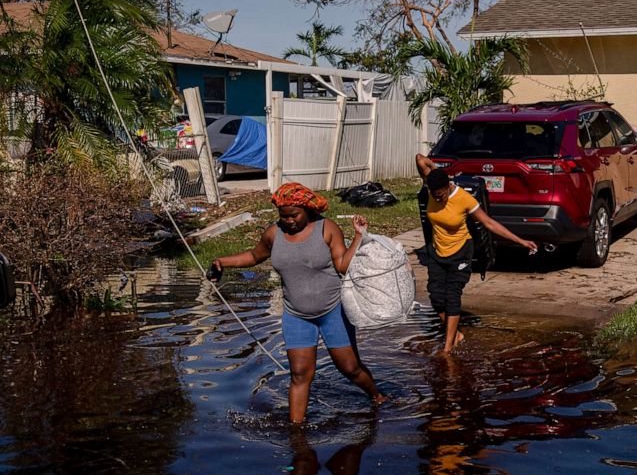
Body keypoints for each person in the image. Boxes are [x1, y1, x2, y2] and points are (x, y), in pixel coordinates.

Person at [210, 182, 387, 423]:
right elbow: (254, 256)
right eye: (284, 217)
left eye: (294, 215)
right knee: (300, 374)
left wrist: (358, 237)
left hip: (333, 310)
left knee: (349, 368)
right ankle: (296, 430)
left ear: (307, 209)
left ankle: (377, 397)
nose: (289, 220)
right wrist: (222, 261)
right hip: (296, 315)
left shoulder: (326, 229)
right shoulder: (274, 234)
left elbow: (343, 266)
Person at [415, 154, 538, 354]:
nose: (437, 198)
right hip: (437, 251)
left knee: (452, 296)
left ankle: (447, 349)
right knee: (437, 297)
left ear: (448, 187)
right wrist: (437, 169)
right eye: (434, 194)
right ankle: (456, 334)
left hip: (460, 251)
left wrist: (521, 241)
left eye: (441, 195)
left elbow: (488, 223)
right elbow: (420, 159)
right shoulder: (432, 185)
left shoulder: (463, 198)